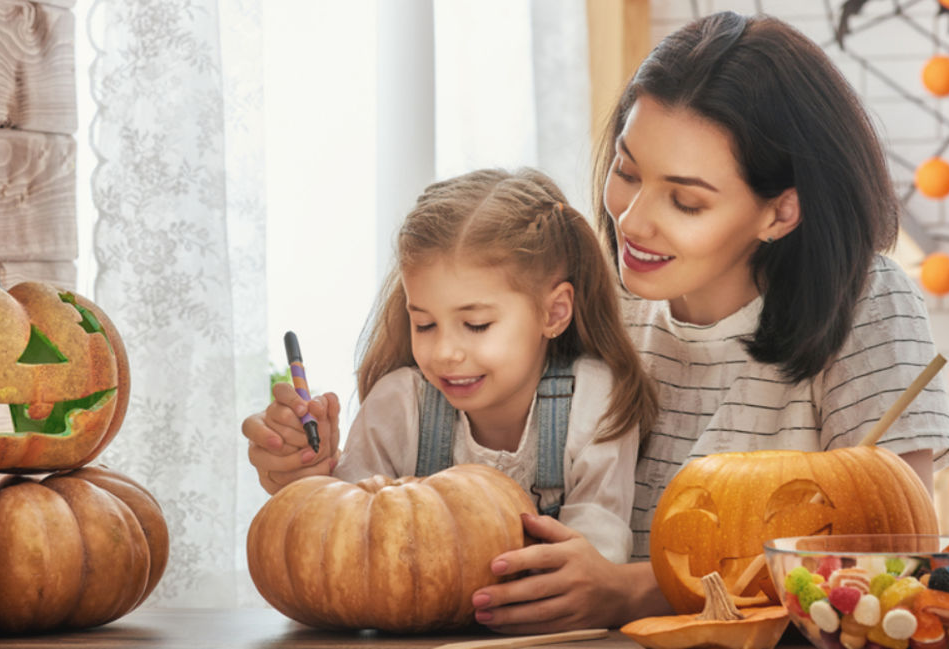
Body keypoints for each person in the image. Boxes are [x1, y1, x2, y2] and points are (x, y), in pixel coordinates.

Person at [467, 11, 949, 633]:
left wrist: (631, 590)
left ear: (781, 213)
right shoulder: (592, 298)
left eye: (686, 200)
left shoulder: (865, 302)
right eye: (627, 172)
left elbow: (891, 555)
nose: (633, 221)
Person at [243, 167, 659, 615]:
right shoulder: (400, 404)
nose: (444, 352)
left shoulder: (594, 400)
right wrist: (310, 479)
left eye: (476, 325)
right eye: (424, 324)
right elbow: (343, 547)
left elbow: (598, 556)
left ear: (554, 312)